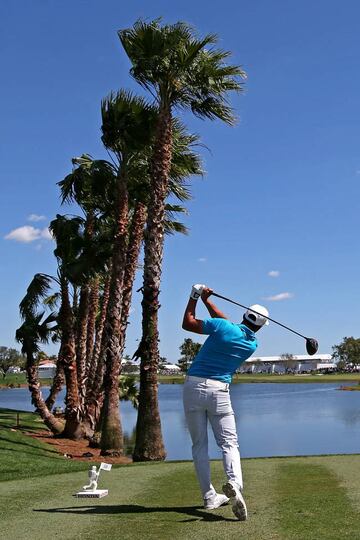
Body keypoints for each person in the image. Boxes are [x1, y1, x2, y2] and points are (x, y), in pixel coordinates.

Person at [182, 284, 269, 520]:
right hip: (219, 391)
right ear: (260, 327)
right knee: (229, 444)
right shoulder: (251, 344)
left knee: (199, 445)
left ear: (244, 315)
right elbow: (226, 325)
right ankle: (235, 485)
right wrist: (207, 301)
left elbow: (188, 322)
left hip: (193, 386)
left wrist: (195, 297)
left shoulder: (222, 327)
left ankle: (209, 497)